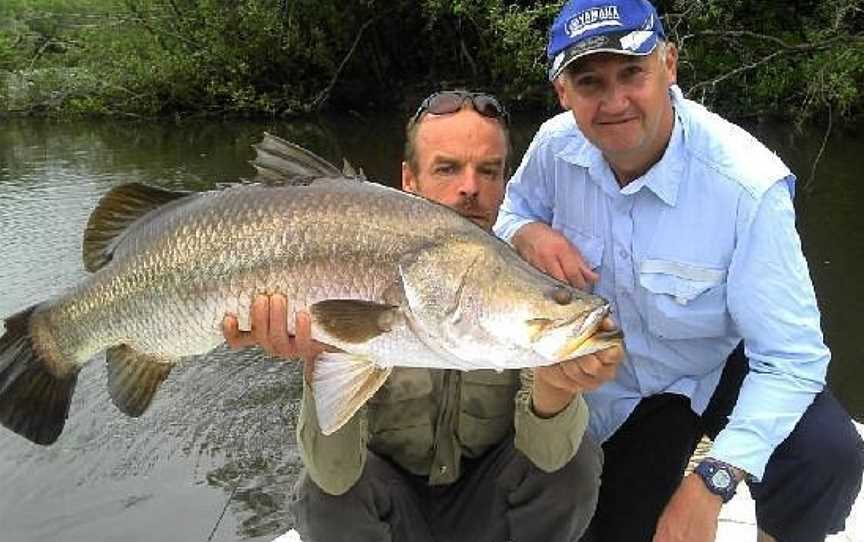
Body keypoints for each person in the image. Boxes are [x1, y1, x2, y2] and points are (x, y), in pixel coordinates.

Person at [493, 1, 864, 541]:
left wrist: (712, 482)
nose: (614, 101)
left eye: (632, 73)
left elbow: (792, 359)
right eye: (590, 81)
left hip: (712, 357)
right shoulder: (553, 148)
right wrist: (529, 232)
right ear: (563, 93)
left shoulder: (747, 185)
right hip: (613, 382)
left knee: (825, 452)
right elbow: (510, 216)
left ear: (669, 64)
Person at [222, 90, 624, 542]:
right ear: (408, 180)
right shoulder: (353, 256)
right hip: (393, 505)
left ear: (504, 184)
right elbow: (334, 477)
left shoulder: (524, 280)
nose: (470, 187)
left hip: (484, 502)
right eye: (448, 168)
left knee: (577, 466)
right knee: (323, 497)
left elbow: (548, 463)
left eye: (488, 171)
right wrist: (320, 362)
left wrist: (557, 384)